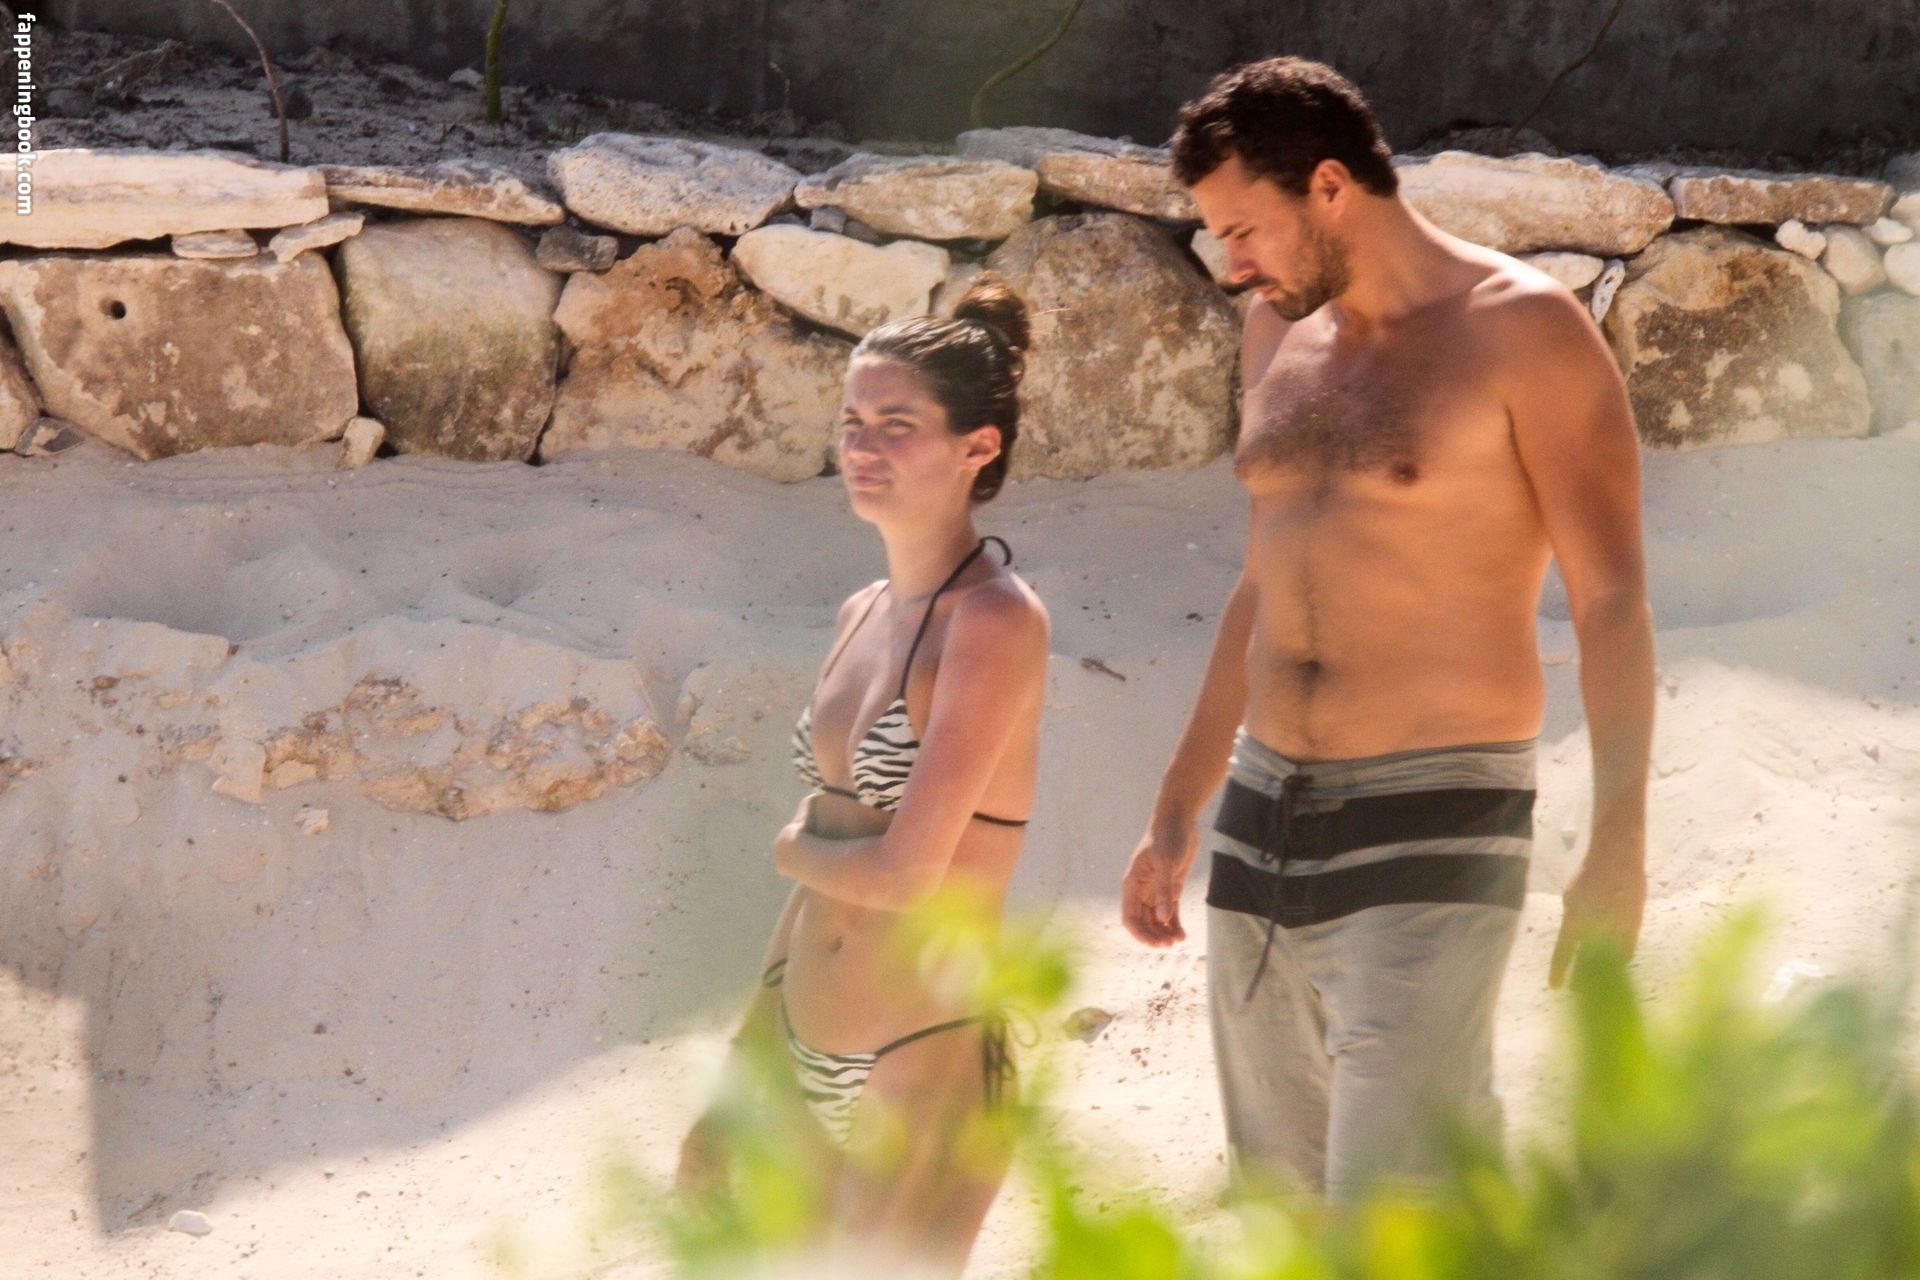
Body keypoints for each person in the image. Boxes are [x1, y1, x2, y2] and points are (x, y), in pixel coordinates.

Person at [1121, 57, 1655, 1204]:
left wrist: (1620, 838)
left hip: (1435, 812)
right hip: (1262, 818)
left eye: (1245, 230)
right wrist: (1178, 802)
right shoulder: (1278, 335)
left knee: (1405, 1216)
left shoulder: (1523, 331)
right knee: (1283, 1207)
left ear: (1328, 186)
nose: (1232, 262)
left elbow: (1610, 598)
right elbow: (1264, 581)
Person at [676, 278, 1051, 1272]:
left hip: (924, 1054)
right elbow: (836, 868)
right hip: (802, 1046)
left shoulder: (997, 622)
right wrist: (738, 1075)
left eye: (897, 425)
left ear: (978, 447)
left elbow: (903, 875)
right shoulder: (861, 611)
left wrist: (791, 847)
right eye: (852, 422)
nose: (862, 446)